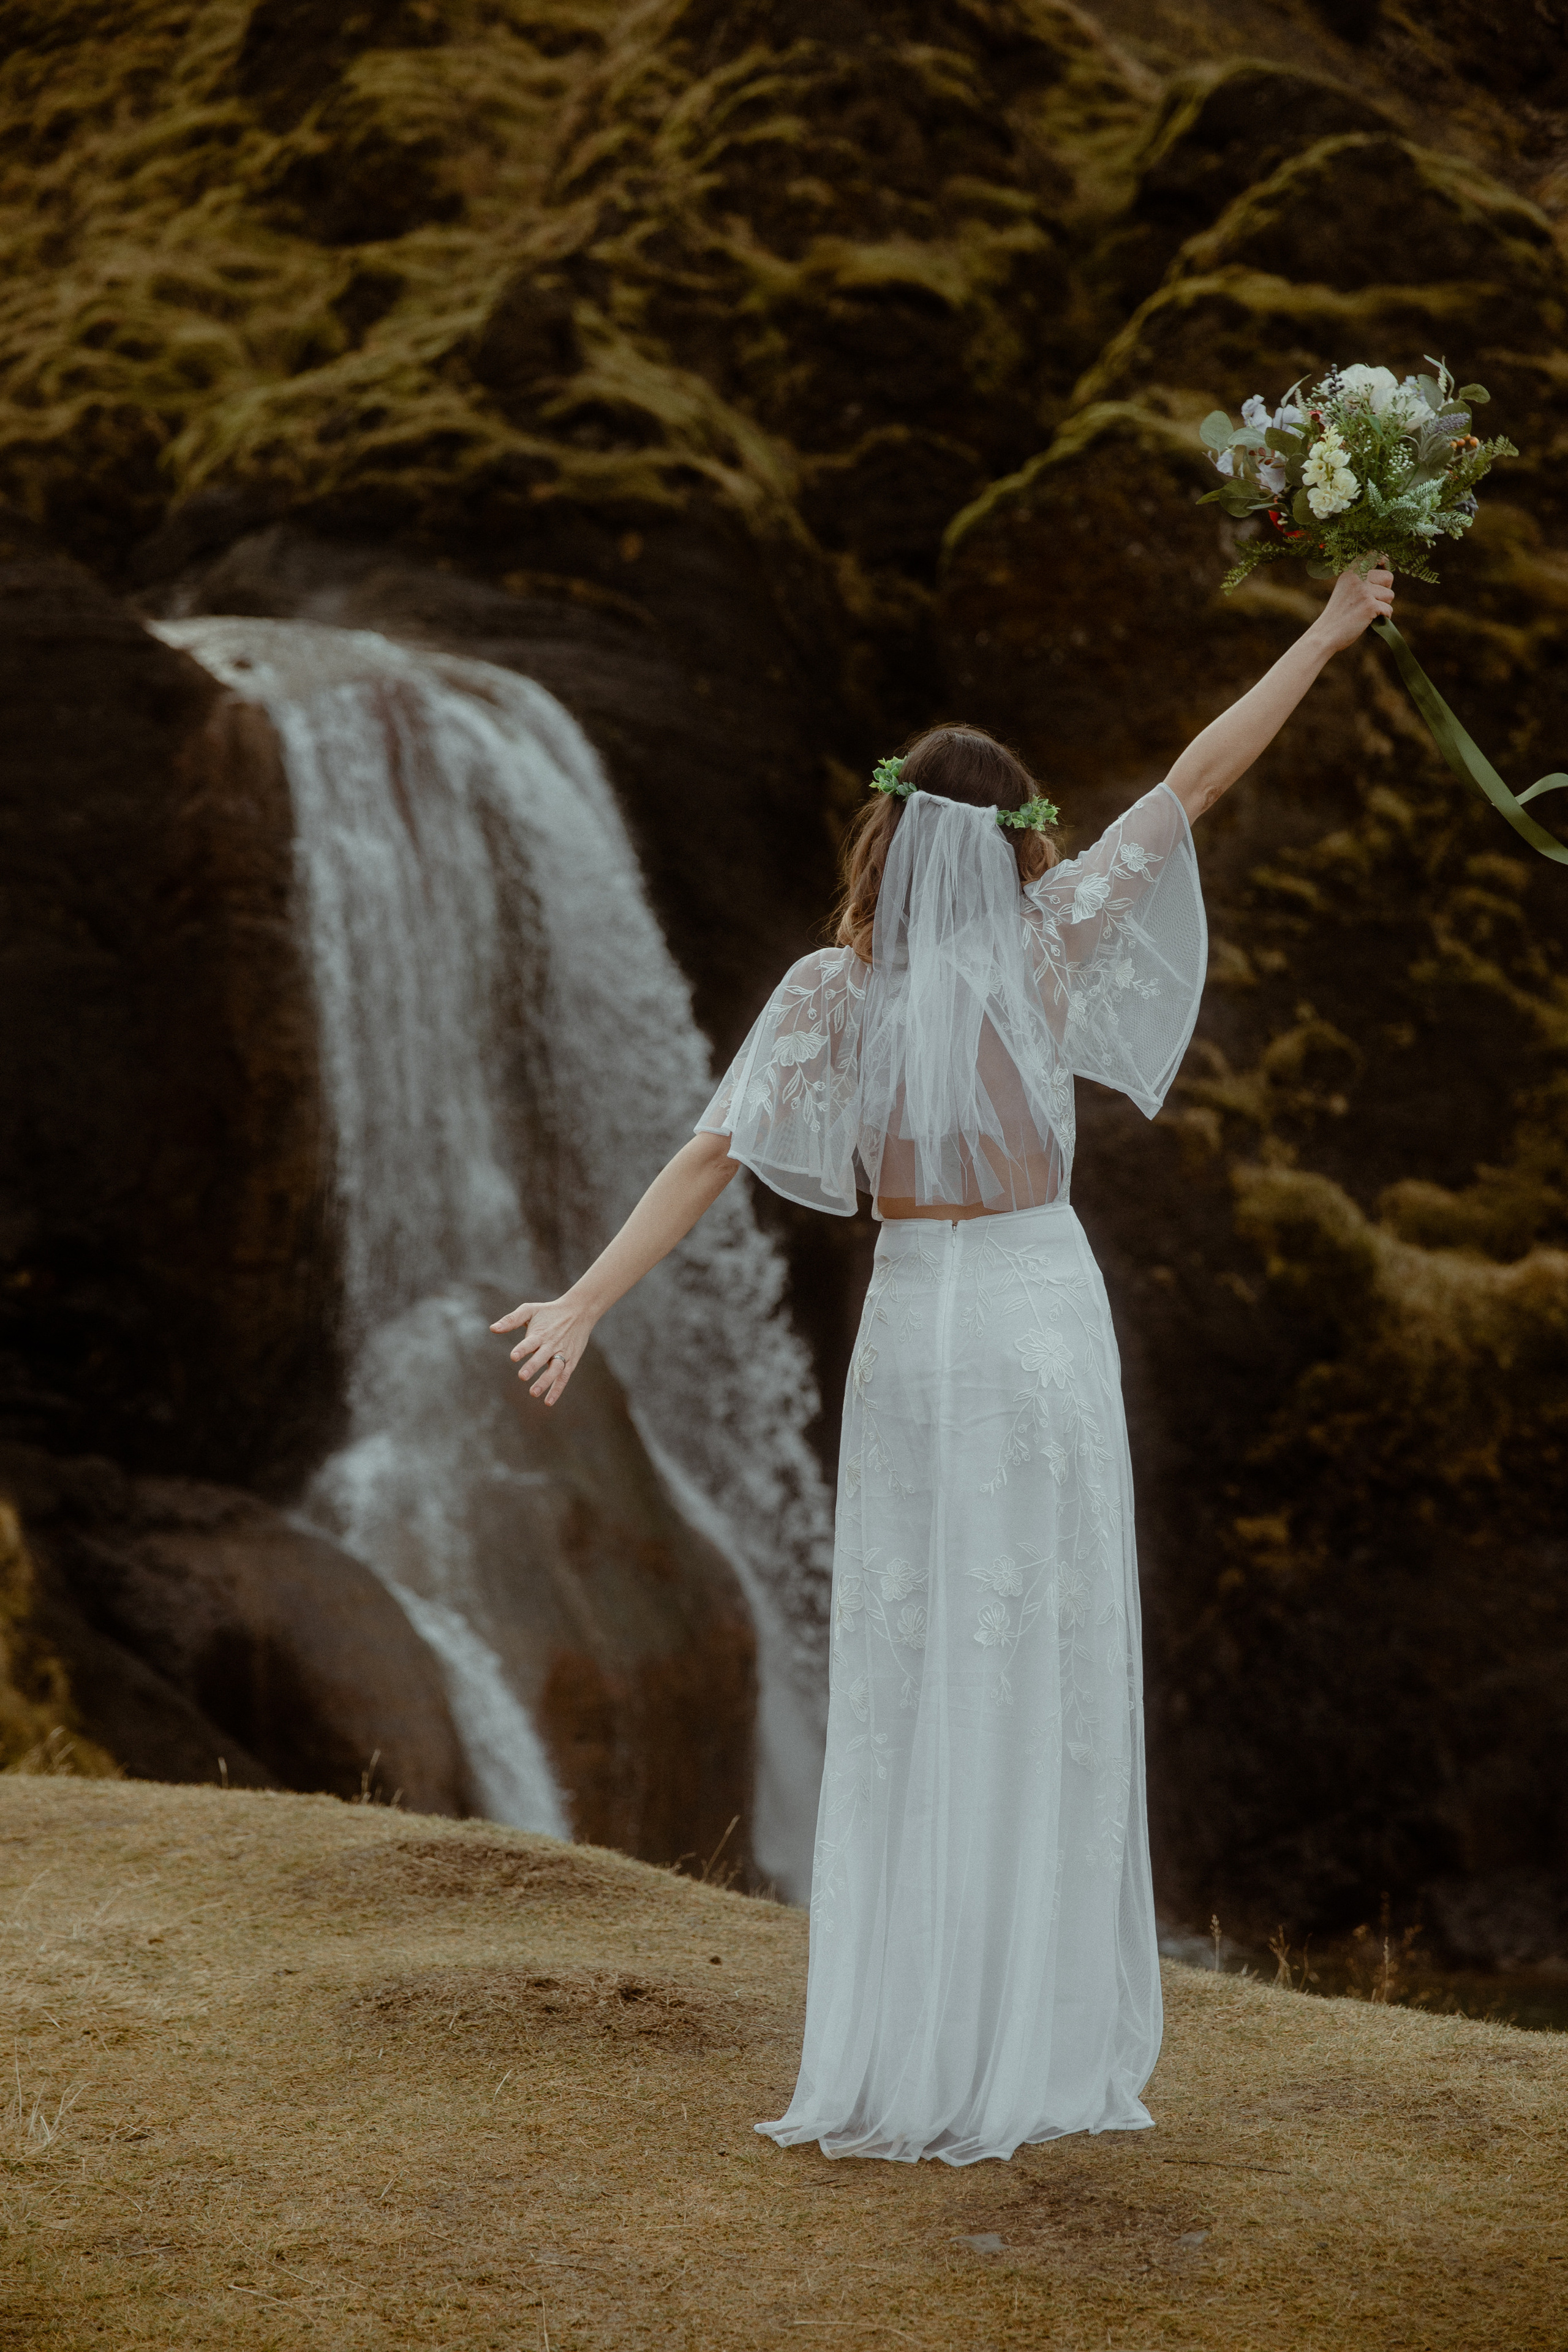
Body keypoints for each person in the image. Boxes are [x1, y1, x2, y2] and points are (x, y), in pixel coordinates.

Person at [492, 560, 1396, 2166]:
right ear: (1012, 842)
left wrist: (583, 1298)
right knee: (1029, 1656)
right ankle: (1028, 2030)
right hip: (1038, 1311)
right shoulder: (1045, 951)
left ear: (892, 841)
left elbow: (708, 1156)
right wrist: (1323, 636)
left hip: (925, 1323)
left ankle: (922, 2033)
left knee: (923, 1665)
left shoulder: (834, 996)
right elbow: (1197, 777)